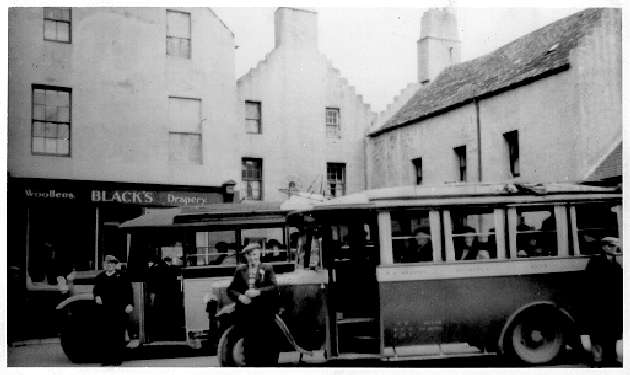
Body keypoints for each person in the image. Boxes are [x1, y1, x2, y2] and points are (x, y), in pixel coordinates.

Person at [227, 243, 279, 366]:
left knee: (266, 344)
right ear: (246, 256)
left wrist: (258, 292)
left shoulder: (267, 268)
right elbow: (231, 290)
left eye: (255, 254)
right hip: (246, 314)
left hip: (264, 313)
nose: (252, 258)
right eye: (249, 255)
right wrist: (240, 297)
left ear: (259, 254)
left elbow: (274, 288)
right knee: (250, 345)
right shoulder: (240, 270)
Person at [585, 237, 622, 367]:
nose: (615, 248)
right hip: (598, 304)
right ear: (604, 247)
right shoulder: (595, 262)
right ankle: (597, 360)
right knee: (597, 333)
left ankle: (611, 358)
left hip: (612, 304)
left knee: (611, 332)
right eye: (611, 246)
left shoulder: (615, 263)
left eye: (615, 246)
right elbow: (590, 283)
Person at [93, 255, 133, 366]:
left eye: (112, 263)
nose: (109, 265)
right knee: (105, 335)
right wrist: (96, 296)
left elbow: (129, 291)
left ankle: (116, 359)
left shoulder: (122, 277)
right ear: (105, 265)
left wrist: (130, 304)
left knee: (118, 335)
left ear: (115, 265)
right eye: (107, 263)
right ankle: (106, 359)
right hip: (105, 311)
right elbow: (96, 290)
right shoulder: (99, 277)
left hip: (119, 310)